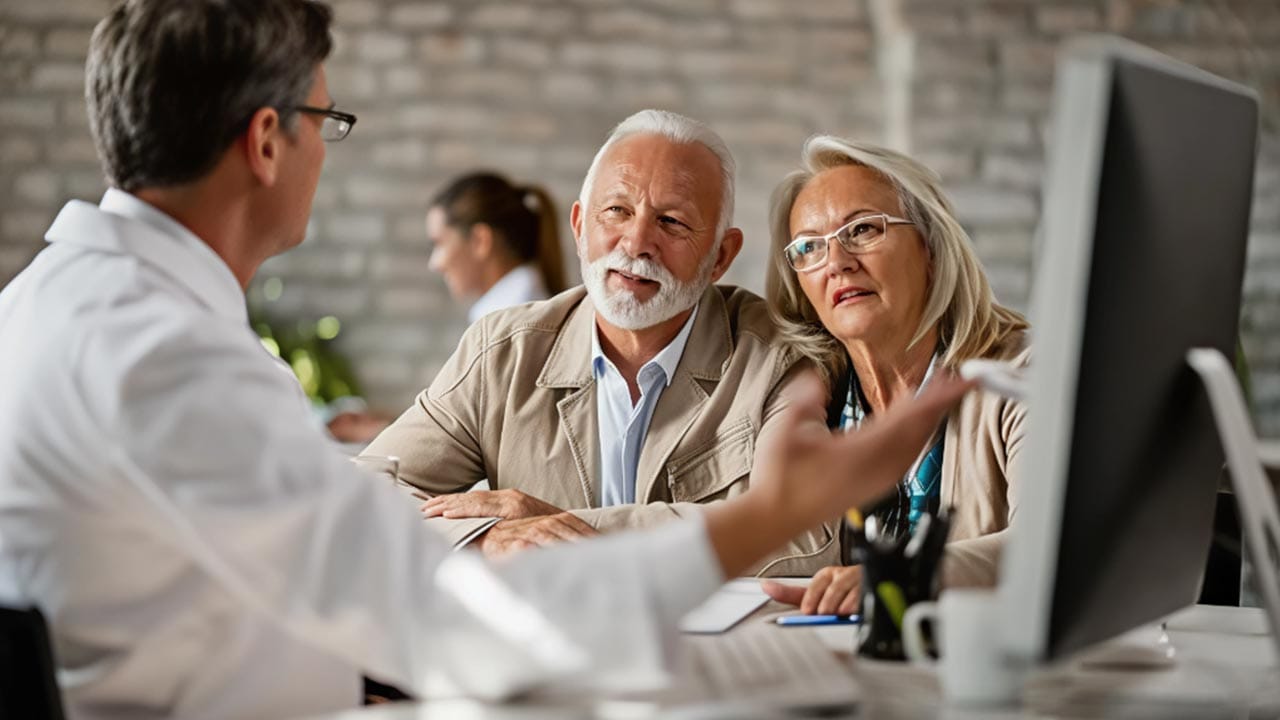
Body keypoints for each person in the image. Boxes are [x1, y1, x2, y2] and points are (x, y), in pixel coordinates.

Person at [0, 3, 972, 717]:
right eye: (325, 122)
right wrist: (768, 513)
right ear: (266, 141)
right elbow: (459, 628)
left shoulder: (43, 305)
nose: (325, 153)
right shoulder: (176, 359)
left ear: (719, 254)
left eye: (672, 224)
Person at [363, 110, 839, 575]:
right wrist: (484, 538)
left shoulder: (776, 357)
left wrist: (565, 529)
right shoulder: (501, 353)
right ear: (579, 227)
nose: (636, 242)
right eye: (617, 211)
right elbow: (367, 493)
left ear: (721, 256)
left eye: (672, 221)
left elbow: (807, 531)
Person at [759, 136, 1030, 616]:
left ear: (931, 248)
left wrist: (904, 576)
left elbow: (1047, 542)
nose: (837, 263)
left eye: (863, 229)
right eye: (810, 247)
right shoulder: (802, 394)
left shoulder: (1021, 375)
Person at [427, 171, 566, 323]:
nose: (434, 264)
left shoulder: (513, 320)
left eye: (440, 244)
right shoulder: (514, 310)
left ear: (480, 241)